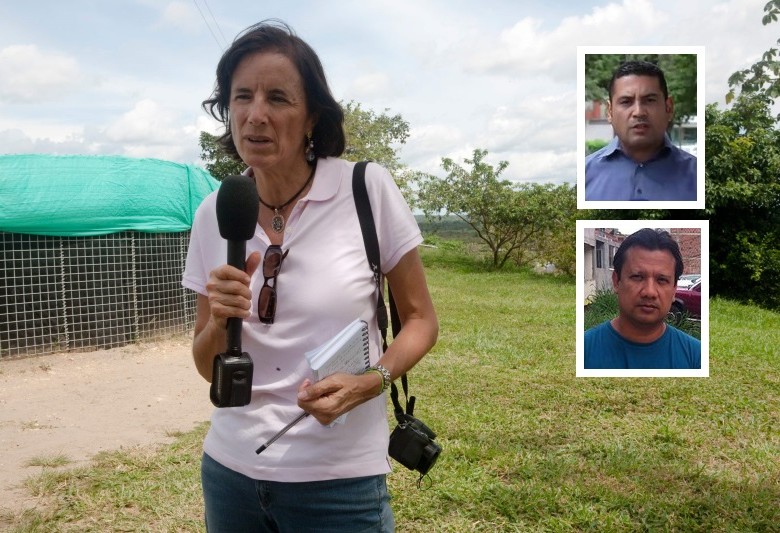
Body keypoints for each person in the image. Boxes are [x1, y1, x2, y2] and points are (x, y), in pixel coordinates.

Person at [182, 20, 438, 532]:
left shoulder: (366, 188)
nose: (256, 115)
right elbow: (207, 365)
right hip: (231, 475)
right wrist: (220, 321)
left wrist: (372, 381)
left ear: (311, 118)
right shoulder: (216, 211)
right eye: (241, 97)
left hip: (339, 484)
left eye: (277, 98)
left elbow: (420, 319)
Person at [584, 228, 701, 369]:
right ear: (616, 281)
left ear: (674, 289)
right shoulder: (583, 350)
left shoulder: (696, 357)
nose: (649, 292)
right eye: (637, 277)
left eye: (662, 280)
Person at [585, 60, 697, 201]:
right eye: (626, 101)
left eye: (649, 100)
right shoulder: (585, 174)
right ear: (609, 111)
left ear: (668, 108)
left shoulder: (698, 175)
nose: (638, 112)